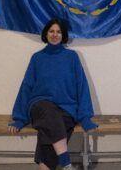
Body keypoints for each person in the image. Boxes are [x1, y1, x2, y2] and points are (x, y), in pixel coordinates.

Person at [8, 18, 98, 170]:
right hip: (40, 105)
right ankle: (66, 163)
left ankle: (51, 165)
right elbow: (26, 87)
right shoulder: (37, 58)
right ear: (46, 34)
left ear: (63, 35)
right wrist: (19, 118)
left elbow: (81, 86)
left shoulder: (72, 57)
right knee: (49, 112)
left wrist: (84, 117)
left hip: (66, 109)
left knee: (50, 129)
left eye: (58, 32)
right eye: (52, 31)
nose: (55, 34)